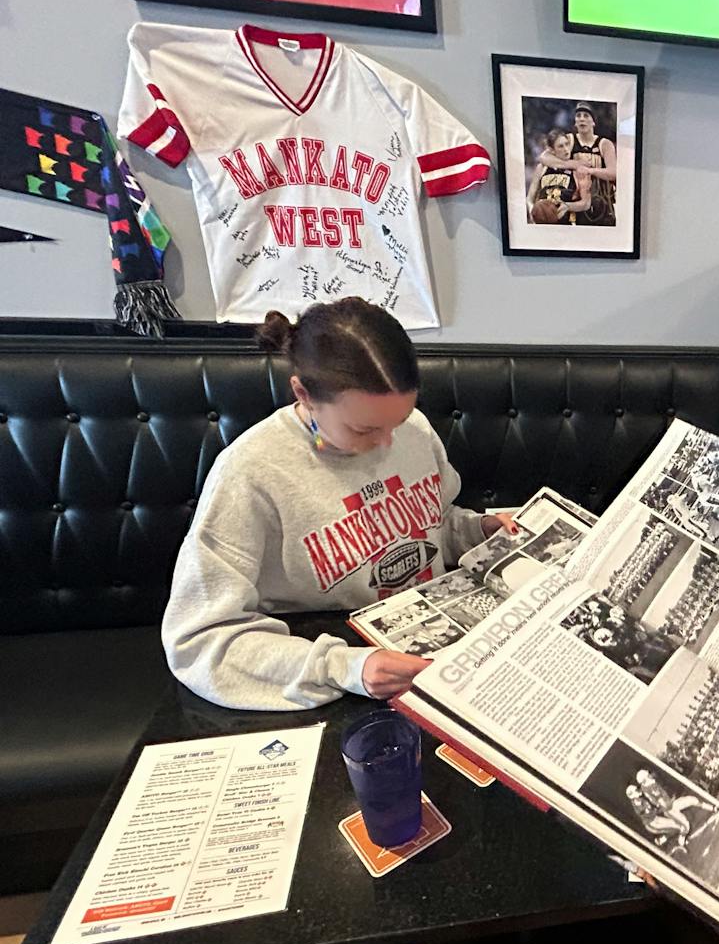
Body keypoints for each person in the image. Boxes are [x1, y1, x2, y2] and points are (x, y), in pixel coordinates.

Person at [163, 297, 515, 712]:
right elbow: (199, 640)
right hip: (332, 671)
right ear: (303, 394)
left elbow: (431, 526)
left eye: (398, 422)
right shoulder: (249, 472)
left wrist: (478, 531)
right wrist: (346, 668)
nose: (386, 443)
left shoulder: (414, 431)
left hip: (434, 650)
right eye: (363, 428)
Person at [535, 102, 616, 225]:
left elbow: (613, 173)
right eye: (578, 115)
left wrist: (590, 170)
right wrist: (574, 164)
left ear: (593, 122)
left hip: (603, 202)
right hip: (579, 202)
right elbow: (543, 157)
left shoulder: (604, 144)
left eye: (586, 115)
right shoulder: (569, 140)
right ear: (575, 122)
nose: (582, 118)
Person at [525, 129, 593, 224]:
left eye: (567, 144)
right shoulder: (542, 167)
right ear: (552, 150)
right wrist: (534, 212)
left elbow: (586, 203)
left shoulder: (579, 170)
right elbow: (529, 199)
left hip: (567, 224)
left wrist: (568, 206)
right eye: (561, 146)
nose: (566, 149)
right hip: (543, 223)